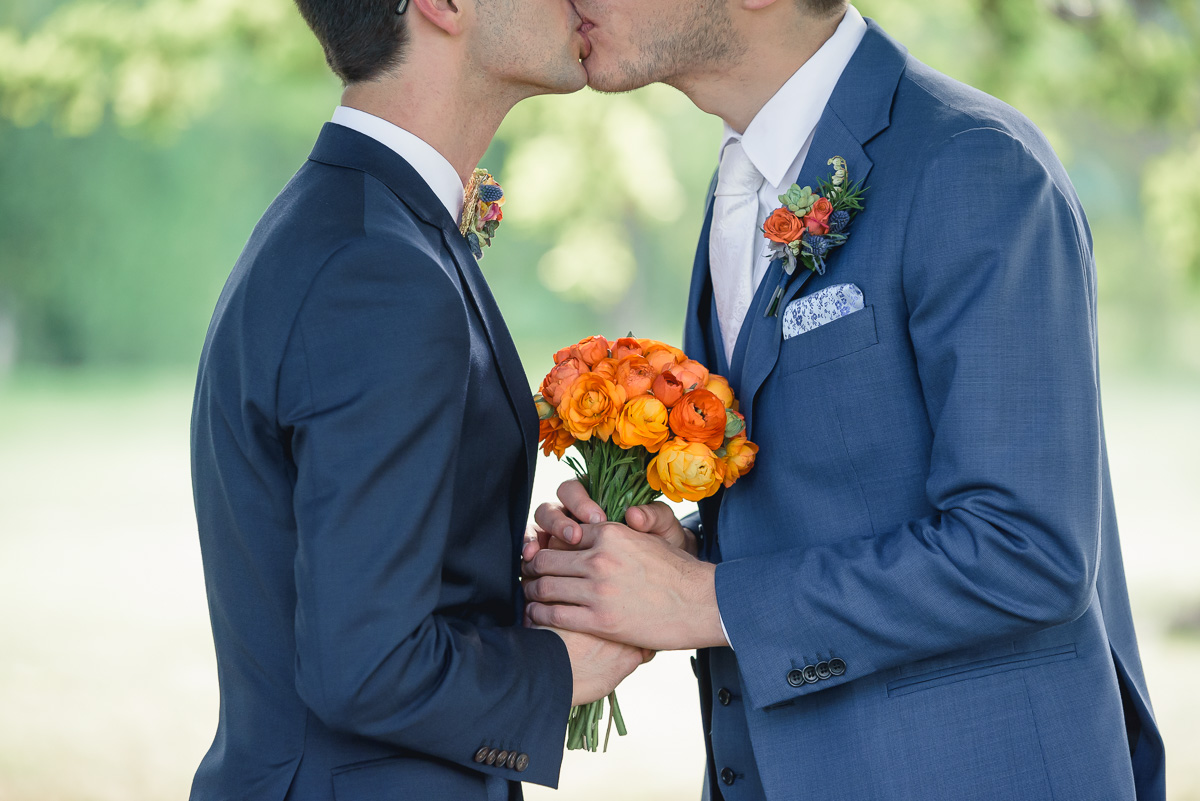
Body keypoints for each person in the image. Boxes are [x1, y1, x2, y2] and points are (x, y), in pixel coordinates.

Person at [523, 1, 1166, 798]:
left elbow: (1027, 548)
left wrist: (710, 601)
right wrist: (676, 555)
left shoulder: (974, 165)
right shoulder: (743, 179)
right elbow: (836, 486)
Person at [188, 0, 647, 798]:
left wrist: (526, 586)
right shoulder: (377, 267)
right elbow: (364, 664)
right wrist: (563, 667)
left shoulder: (365, 224)